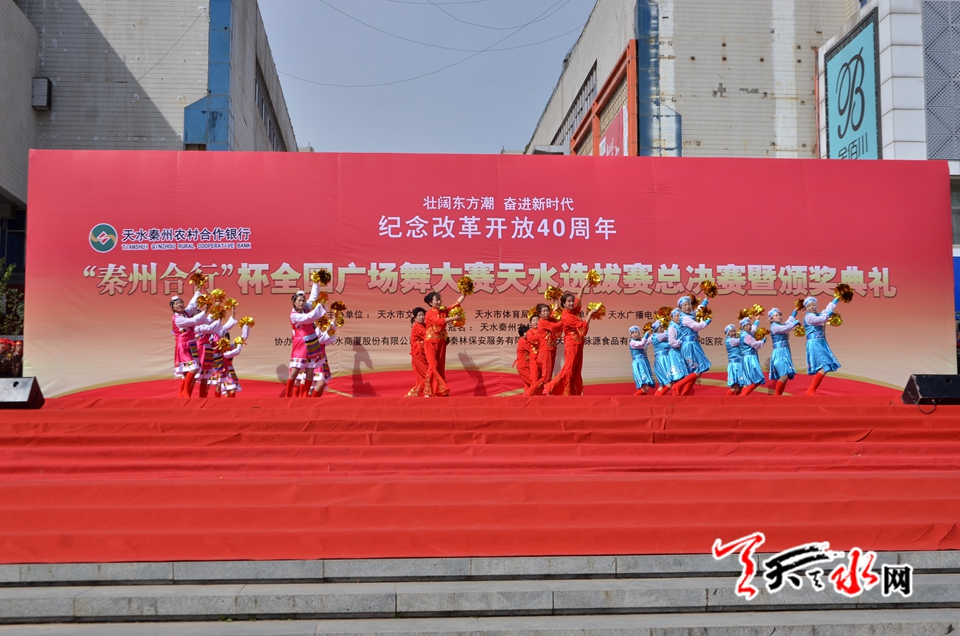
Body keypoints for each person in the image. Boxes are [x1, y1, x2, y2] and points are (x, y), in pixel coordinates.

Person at [544, 287, 597, 396]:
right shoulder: (567, 316)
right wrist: (590, 314)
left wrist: (584, 285)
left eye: (572, 301)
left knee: (576, 369)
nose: (572, 303)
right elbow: (582, 326)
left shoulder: (573, 311)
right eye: (569, 301)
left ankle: (573, 393)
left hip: (579, 343)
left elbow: (578, 298)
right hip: (572, 344)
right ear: (564, 303)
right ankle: (550, 388)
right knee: (568, 369)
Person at [285, 282, 327, 397]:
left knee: (310, 371)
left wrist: (316, 282)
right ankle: (287, 396)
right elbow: (309, 318)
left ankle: (304, 398)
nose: (302, 303)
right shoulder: (294, 315)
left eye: (303, 300)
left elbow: (313, 297)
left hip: (312, 342)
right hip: (301, 344)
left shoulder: (306, 308)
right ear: (294, 302)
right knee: (295, 371)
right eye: (299, 301)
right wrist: (319, 307)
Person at [423, 290, 466, 397]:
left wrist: (464, 294)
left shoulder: (443, 311)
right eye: (436, 300)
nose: (439, 302)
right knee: (432, 366)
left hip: (441, 342)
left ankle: (441, 391)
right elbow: (438, 321)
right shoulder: (429, 313)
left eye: (439, 299)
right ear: (430, 302)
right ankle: (428, 391)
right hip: (430, 342)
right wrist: (454, 318)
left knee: (440, 367)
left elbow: (455, 305)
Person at [170, 289, 211, 398]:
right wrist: (204, 312)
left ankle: (182, 395)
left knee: (186, 371)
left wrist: (198, 290)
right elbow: (192, 321)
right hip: (183, 346)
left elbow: (192, 304)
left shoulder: (186, 313)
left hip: (192, 345)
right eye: (176, 304)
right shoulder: (177, 319)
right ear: (173, 308)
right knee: (194, 367)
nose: (179, 305)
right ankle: (185, 392)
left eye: (180, 303)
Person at [671, 295, 712, 395]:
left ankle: (685, 393)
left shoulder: (689, 315)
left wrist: (706, 299)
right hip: (689, 346)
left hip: (693, 344)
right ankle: (678, 386)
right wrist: (706, 322)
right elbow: (696, 326)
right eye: (685, 305)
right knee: (698, 369)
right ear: (681, 308)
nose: (688, 306)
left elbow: (698, 311)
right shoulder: (685, 318)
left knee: (696, 370)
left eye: (689, 304)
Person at [803, 296, 841, 395]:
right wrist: (829, 314)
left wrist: (836, 299)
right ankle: (811, 389)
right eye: (809, 306)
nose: (812, 307)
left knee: (826, 365)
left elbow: (828, 309)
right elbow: (821, 319)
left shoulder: (819, 314)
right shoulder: (808, 317)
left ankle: (811, 389)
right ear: (806, 308)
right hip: (814, 342)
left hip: (821, 342)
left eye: (813, 305)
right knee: (825, 365)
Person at [529, 303, 563, 394]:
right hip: (545, 351)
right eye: (543, 311)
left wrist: (556, 302)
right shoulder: (542, 322)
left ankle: (546, 392)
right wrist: (565, 319)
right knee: (546, 377)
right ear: (540, 314)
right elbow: (556, 326)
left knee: (548, 375)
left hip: (551, 349)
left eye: (547, 311)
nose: (546, 313)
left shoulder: (548, 319)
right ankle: (529, 393)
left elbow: (554, 314)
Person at [768, 307, 800, 395]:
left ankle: (778, 396)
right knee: (784, 375)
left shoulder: (780, 325)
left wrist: (795, 311)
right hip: (779, 353)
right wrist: (795, 323)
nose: (779, 317)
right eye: (776, 315)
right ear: (771, 318)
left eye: (780, 315)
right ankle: (776, 396)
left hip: (784, 352)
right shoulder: (774, 327)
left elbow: (788, 322)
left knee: (786, 376)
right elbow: (786, 328)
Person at [651, 320, 686, 395]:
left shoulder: (658, 337)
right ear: (656, 329)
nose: (662, 329)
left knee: (663, 385)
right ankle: (660, 398)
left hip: (665, 359)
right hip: (662, 360)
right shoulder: (657, 336)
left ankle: (655, 399)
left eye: (662, 327)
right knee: (670, 383)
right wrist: (673, 325)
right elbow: (668, 334)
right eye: (660, 328)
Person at [307, 321, 338, 397]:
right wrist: (332, 324)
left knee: (321, 384)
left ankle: (312, 401)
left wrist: (335, 320)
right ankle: (310, 401)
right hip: (315, 362)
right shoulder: (313, 337)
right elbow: (326, 334)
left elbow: (330, 336)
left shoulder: (321, 338)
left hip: (322, 361)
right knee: (319, 383)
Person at [738, 317, 766, 395]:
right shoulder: (746, 336)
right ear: (743, 327)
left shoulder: (744, 333)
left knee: (748, 382)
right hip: (750, 359)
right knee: (757, 379)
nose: (749, 327)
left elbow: (753, 329)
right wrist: (762, 341)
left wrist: (757, 320)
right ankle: (742, 396)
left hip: (745, 359)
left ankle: (741, 398)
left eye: (749, 325)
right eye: (747, 325)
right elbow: (755, 344)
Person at [406, 307, 428, 397]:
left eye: (423, 315)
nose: (422, 317)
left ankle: (419, 395)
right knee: (427, 375)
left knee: (422, 377)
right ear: (415, 318)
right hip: (418, 355)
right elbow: (428, 335)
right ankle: (426, 393)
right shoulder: (417, 326)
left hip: (424, 354)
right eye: (419, 315)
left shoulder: (424, 325)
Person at [628, 326, 655, 396]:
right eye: (632, 333)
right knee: (645, 387)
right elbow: (641, 344)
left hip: (644, 362)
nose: (634, 334)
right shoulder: (632, 342)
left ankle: (641, 401)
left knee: (645, 387)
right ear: (630, 335)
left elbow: (650, 339)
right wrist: (646, 334)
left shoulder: (642, 340)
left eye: (636, 332)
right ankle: (631, 400)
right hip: (638, 364)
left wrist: (654, 330)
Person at [723, 324, 743, 396]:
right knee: (734, 387)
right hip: (734, 366)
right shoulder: (730, 340)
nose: (734, 333)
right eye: (731, 332)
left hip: (740, 364)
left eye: (734, 331)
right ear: (728, 334)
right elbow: (743, 340)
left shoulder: (734, 339)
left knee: (740, 387)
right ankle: (725, 401)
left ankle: (737, 401)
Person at [515, 325, 534, 392]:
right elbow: (532, 349)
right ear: (523, 333)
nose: (529, 333)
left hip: (526, 365)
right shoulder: (523, 341)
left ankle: (526, 396)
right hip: (523, 366)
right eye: (527, 332)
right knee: (533, 382)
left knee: (527, 384)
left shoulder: (525, 340)